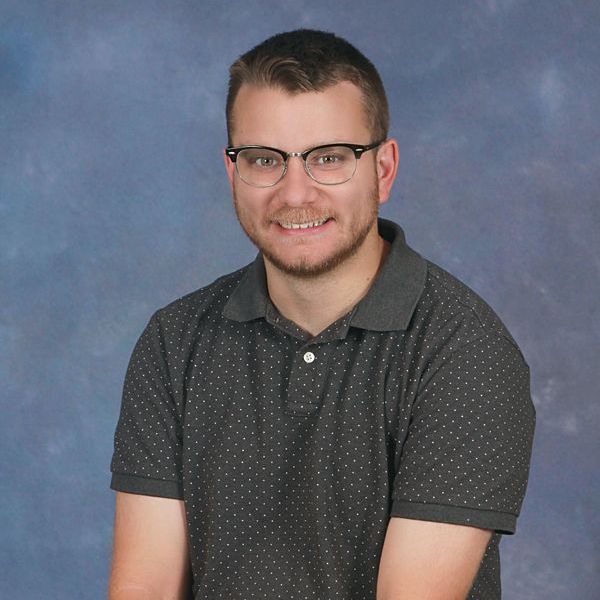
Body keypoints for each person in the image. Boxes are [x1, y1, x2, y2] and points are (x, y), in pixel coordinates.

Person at [108, 29, 535, 600]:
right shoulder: (174, 342)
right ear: (233, 170)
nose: (295, 193)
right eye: (264, 160)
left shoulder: (463, 351)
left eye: (329, 158)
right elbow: (144, 590)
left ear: (383, 168)